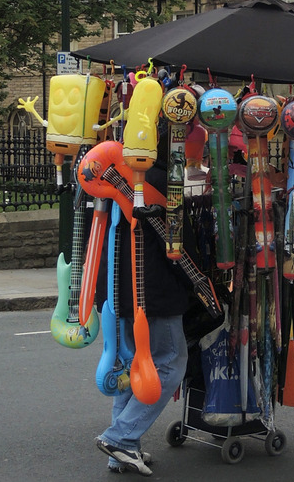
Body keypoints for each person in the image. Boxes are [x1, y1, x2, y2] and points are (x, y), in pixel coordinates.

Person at [94, 134, 193, 476]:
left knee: (131, 368)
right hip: (154, 291)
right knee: (168, 364)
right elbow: (178, 246)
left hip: (115, 287)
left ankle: (122, 449)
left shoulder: (114, 175)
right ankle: (120, 437)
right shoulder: (165, 182)